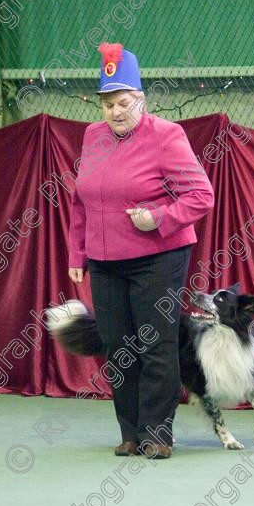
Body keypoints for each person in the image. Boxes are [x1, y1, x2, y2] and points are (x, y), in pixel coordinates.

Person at [68, 42, 214, 459]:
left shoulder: (167, 136)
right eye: (108, 103)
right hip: (104, 261)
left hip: (158, 259)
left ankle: (157, 435)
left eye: (124, 102)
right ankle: (130, 433)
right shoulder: (91, 137)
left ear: (142, 100)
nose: (116, 111)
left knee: (155, 344)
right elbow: (82, 200)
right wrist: (78, 255)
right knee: (118, 346)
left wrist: (160, 218)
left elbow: (201, 196)